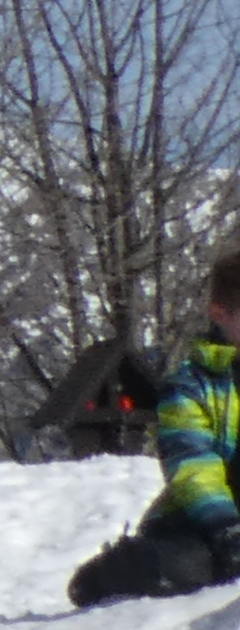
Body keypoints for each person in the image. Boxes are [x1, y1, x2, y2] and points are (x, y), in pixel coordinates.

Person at [73, 255, 240, 606]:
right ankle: (111, 573)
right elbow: (193, 464)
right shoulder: (192, 386)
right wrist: (227, 528)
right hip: (202, 521)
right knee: (186, 569)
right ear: (220, 315)